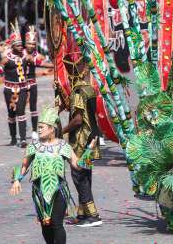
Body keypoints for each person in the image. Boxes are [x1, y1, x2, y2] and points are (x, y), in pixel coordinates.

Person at [10, 106, 80, 244]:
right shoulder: (33, 146)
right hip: (39, 192)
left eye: (42, 127)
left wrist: (88, 156)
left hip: (58, 190)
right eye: (38, 127)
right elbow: (24, 165)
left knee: (56, 223)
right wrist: (17, 180)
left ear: (52, 129)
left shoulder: (63, 146)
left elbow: (77, 164)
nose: (39, 129)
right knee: (45, 224)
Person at [61, 60, 102, 227]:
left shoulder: (78, 91)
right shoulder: (90, 89)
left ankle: (93, 215)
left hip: (81, 139)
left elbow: (77, 120)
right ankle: (83, 214)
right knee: (85, 175)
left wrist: (61, 131)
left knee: (79, 176)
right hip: (92, 138)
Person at [0, 25, 30, 147]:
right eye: (18, 45)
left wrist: (55, 66)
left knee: (21, 112)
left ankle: (23, 139)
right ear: (12, 46)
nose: (20, 47)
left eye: (21, 45)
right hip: (9, 90)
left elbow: (39, 62)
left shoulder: (25, 56)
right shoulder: (5, 59)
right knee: (11, 114)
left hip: (22, 89)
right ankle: (13, 138)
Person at [24, 27, 50, 140]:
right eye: (29, 43)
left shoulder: (38, 55)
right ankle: (21, 129)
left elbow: (43, 63)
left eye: (33, 44)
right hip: (20, 84)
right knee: (20, 108)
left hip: (32, 81)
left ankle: (34, 130)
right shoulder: (20, 53)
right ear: (25, 43)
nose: (31, 46)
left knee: (33, 107)